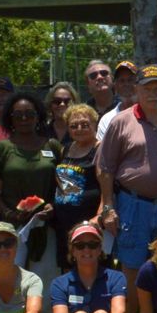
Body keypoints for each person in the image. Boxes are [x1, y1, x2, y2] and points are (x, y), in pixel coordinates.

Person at [97, 65, 157, 273]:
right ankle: (135, 307)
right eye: (147, 89)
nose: (153, 94)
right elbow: (104, 167)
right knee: (132, 267)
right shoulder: (121, 121)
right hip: (133, 205)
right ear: (137, 89)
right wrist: (108, 207)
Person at [0, 91, 61, 282]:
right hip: (12, 226)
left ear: (38, 116)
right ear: (10, 118)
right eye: (18, 115)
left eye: (30, 114)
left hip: (45, 225)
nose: (24, 119)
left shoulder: (52, 146)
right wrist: (9, 213)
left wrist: (53, 205)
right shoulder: (2, 148)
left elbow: (64, 184)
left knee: (45, 278)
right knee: (10, 278)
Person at [50, 102, 106, 271]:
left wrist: (99, 215)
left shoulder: (100, 149)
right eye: (74, 126)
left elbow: (106, 185)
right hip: (63, 222)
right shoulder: (65, 149)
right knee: (67, 266)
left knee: (91, 265)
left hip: (88, 220)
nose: (79, 129)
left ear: (95, 124)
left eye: (85, 124)